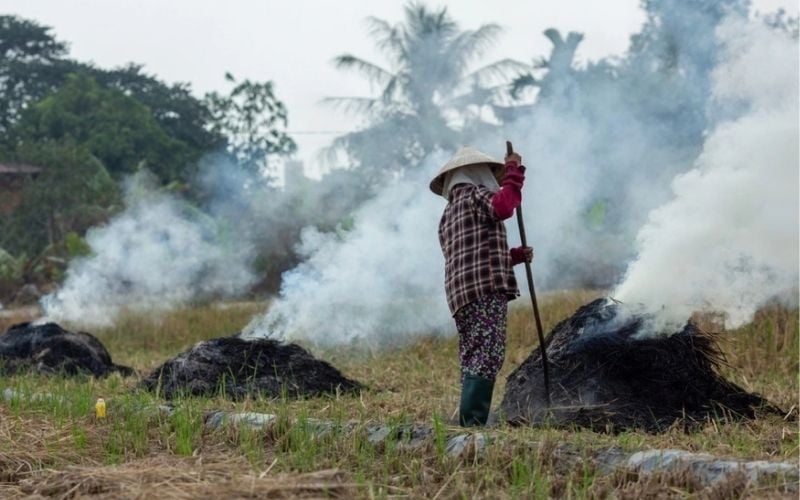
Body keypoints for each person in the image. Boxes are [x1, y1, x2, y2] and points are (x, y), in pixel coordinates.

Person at [429, 146, 532, 426]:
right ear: (476, 173)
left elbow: (472, 256)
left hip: (462, 295)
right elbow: (504, 206)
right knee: (488, 352)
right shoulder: (476, 195)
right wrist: (513, 172)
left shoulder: (447, 215)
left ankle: (469, 420)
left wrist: (515, 257)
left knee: (473, 354)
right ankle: (473, 423)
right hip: (485, 291)